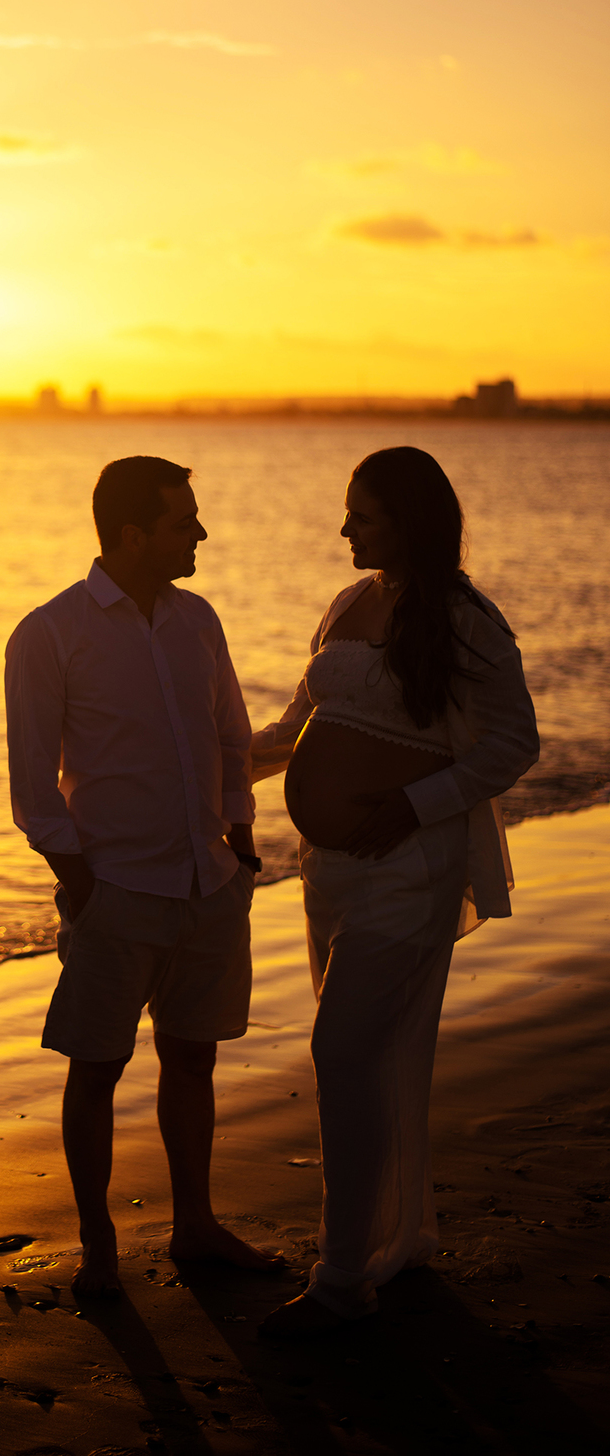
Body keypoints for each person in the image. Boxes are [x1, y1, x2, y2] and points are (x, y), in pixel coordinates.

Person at [252, 445, 539, 1338]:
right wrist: (201, 763)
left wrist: (412, 804)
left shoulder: (464, 621)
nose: (344, 529)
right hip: (326, 874)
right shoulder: (348, 604)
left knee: (341, 1055)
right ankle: (400, 1235)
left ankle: (341, 1279)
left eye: (362, 515)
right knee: (370, 1056)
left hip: (410, 874)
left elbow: (512, 745)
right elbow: (298, 729)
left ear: (408, 520)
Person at [4, 454, 282, 1296]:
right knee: (96, 1067)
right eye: (182, 520)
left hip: (210, 883)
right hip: (118, 892)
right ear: (134, 534)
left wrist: (240, 845)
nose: (199, 532)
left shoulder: (199, 620)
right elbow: (31, 784)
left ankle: (195, 1226)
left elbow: (231, 739)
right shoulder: (48, 633)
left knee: (193, 1059)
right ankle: (98, 1249)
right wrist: (82, 883)